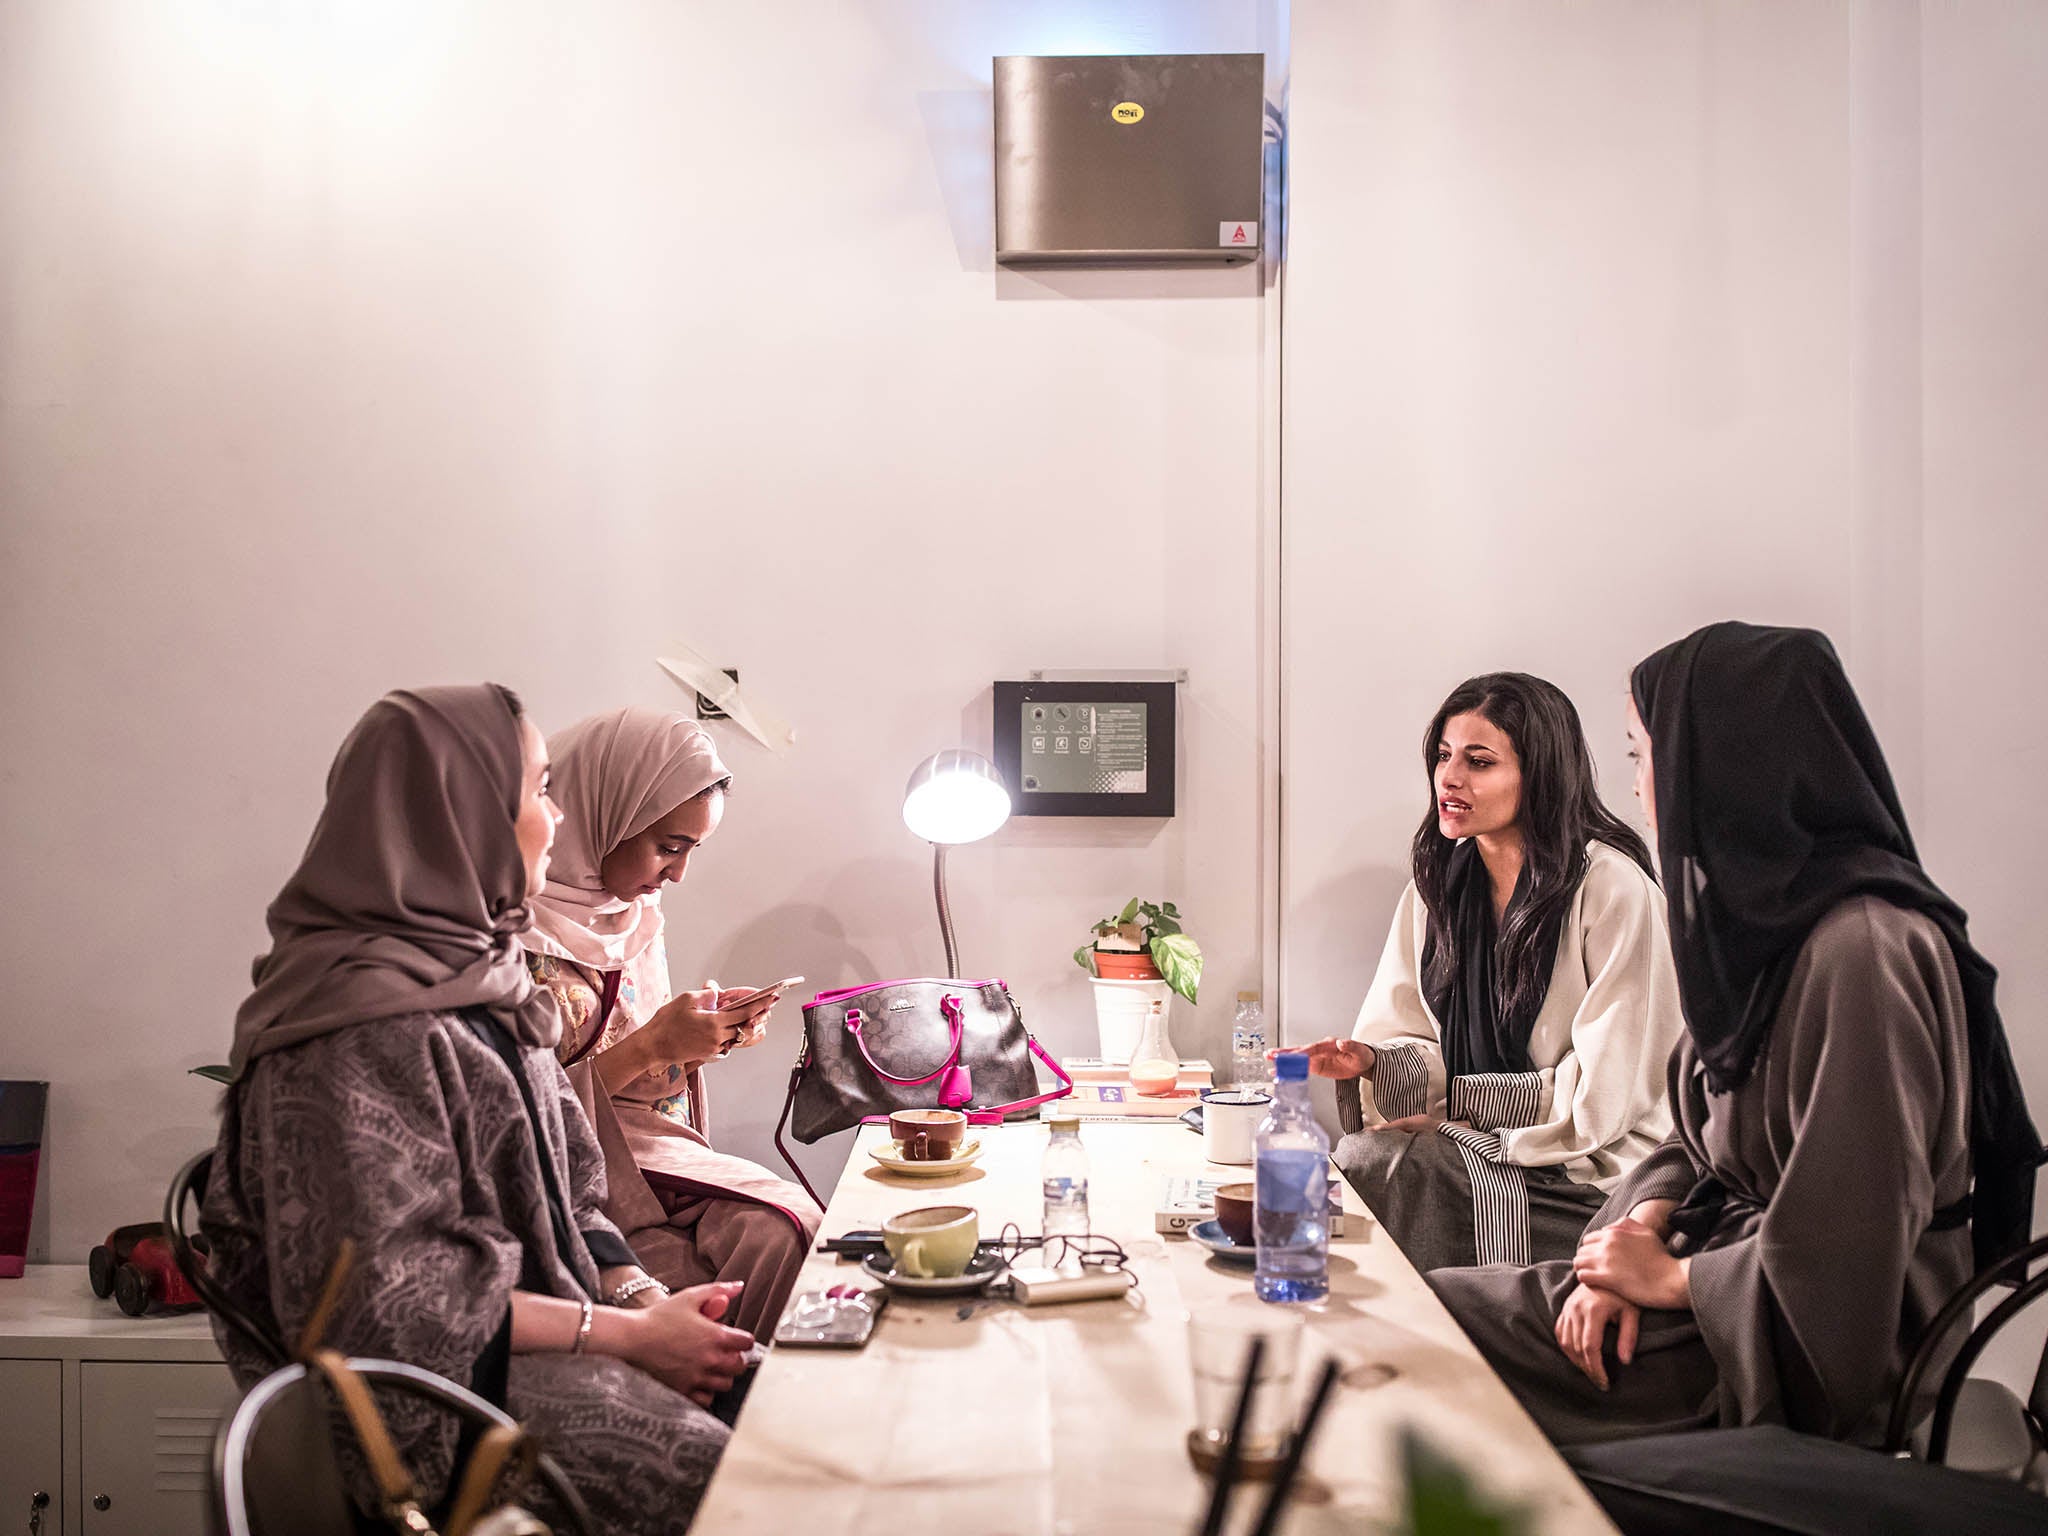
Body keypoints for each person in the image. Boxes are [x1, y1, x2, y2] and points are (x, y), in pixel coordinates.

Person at [1429, 624, 2043, 1445]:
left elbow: (1848, 1257)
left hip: (1791, 1344)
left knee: (1424, 1346)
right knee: (1417, 1309)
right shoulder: (1773, 931)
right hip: (1721, 1275)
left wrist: (1675, 1279)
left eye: (1647, 756)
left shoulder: (1862, 951)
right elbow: (1701, 1139)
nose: (1642, 787)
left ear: (1720, 765)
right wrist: (1636, 1233)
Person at [202, 686, 747, 1533]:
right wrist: (632, 1340)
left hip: (533, 1341)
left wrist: (641, 1299)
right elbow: (396, 1315)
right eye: (537, 792)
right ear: (455, 814)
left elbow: (574, 1191)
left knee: (771, 1404)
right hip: (434, 1406)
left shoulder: (485, 976)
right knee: (732, 1481)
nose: (558, 820)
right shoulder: (356, 1033)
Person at [1306, 673, 1685, 1272]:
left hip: (1589, 1171)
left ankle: (1442, 1343)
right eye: (1443, 757)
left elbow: (1612, 1090)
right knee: (1360, 1159)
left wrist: (1459, 1108)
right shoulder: (1435, 890)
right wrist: (1374, 1062)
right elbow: (1411, 1034)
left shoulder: (1610, 888)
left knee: (1384, 1167)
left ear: (1539, 775)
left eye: (1479, 762)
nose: (1450, 778)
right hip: (1474, 1146)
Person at [524, 707, 821, 1344]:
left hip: (651, 1155)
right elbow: (516, 1115)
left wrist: (695, 1042)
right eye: (668, 846)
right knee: (783, 1232)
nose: (677, 874)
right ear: (600, 814)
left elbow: (638, 1067)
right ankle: (742, 1414)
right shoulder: (505, 933)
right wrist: (656, 1043)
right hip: (567, 1185)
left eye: (690, 850)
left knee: (790, 1228)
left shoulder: (629, 913)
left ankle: (760, 1409)